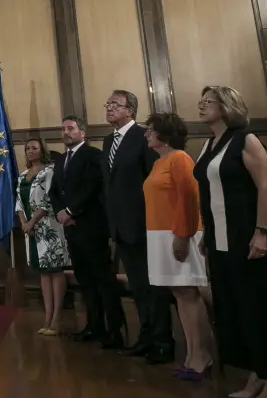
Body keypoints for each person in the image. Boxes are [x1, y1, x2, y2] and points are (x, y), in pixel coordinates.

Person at [195, 87, 267, 398]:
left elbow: (265, 189)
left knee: (257, 308)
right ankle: (256, 375)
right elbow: (209, 193)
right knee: (236, 310)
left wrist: (260, 232)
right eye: (201, 101)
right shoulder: (208, 144)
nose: (201, 105)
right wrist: (207, 235)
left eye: (209, 101)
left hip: (246, 238)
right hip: (219, 239)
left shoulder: (245, 139)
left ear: (227, 106)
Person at [102, 90, 174, 363]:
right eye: (108, 104)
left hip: (145, 225)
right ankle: (145, 338)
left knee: (154, 287)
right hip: (121, 228)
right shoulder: (109, 140)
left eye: (115, 104)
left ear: (130, 110)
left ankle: (163, 343)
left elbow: (155, 182)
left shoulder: (144, 136)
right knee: (139, 287)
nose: (109, 108)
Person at [142, 112, 212, 380]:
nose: (147, 134)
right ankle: (192, 355)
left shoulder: (180, 158)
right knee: (180, 294)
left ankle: (202, 355)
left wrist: (182, 235)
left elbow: (190, 197)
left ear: (165, 133)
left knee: (189, 294)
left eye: (151, 130)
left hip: (178, 233)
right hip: (159, 234)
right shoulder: (158, 162)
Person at [50, 115, 123, 346]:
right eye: (63, 129)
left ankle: (114, 330)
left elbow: (92, 187)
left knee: (103, 279)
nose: (66, 132)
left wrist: (71, 211)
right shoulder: (61, 160)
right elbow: (54, 191)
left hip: (91, 226)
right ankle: (94, 326)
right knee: (85, 280)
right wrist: (60, 212)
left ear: (82, 132)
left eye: (70, 128)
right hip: (71, 229)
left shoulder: (92, 155)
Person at [16, 135, 69, 336]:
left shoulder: (50, 171)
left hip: (48, 227)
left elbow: (49, 200)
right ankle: (47, 317)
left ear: (42, 150)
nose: (30, 151)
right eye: (27, 148)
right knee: (43, 273)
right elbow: (19, 202)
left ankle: (57, 318)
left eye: (34, 148)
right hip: (31, 230)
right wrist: (24, 222)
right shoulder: (23, 175)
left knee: (55, 270)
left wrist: (32, 221)